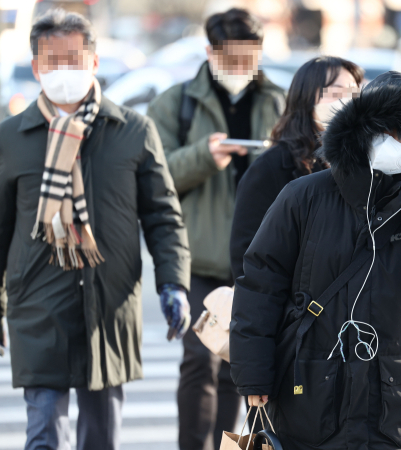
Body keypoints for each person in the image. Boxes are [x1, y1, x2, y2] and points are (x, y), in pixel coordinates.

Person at [229, 71, 401, 450]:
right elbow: (260, 284)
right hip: (310, 390)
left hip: (392, 397)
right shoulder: (306, 195)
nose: (395, 141)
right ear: (362, 127)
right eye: (385, 129)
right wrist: (253, 375)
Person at [0, 9, 191, 450]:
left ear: (93, 61)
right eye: (52, 61)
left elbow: (163, 217)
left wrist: (174, 284)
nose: (63, 70)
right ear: (35, 67)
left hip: (108, 308)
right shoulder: (12, 136)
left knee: (100, 438)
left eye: (73, 58)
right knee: (44, 435)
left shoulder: (132, 130)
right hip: (38, 304)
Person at [147, 8, 285, 450]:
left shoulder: (278, 101)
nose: (242, 68)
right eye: (232, 57)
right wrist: (206, 156)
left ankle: (231, 446)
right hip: (201, 256)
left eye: (251, 57)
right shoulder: (176, 102)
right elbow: (153, 174)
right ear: (210, 52)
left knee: (239, 365)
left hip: (260, 258)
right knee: (199, 360)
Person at [230, 56, 362, 282]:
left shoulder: (363, 161)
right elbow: (248, 256)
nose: (347, 101)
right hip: (297, 308)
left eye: (354, 93)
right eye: (336, 92)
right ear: (307, 97)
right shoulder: (271, 167)